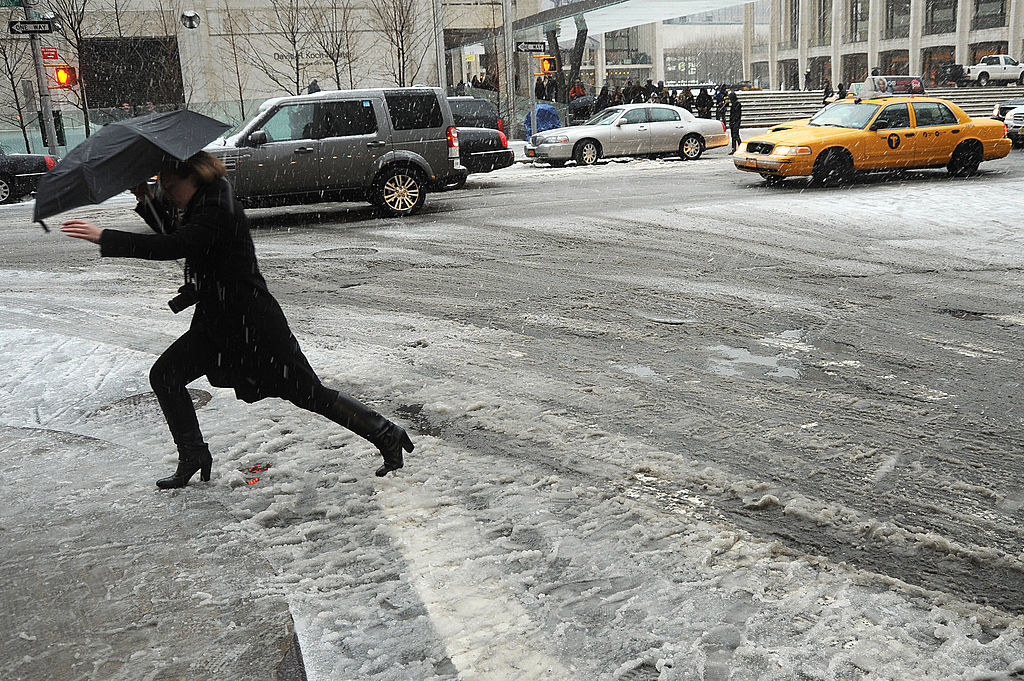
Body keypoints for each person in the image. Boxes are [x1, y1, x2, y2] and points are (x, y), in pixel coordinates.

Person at [59, 152, 414, 488]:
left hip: (253, 325)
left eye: (170, 189)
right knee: (165, 375)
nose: (170, 196)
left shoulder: (218, 207)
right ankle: (193, 454)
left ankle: (385, 432)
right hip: (218, 324)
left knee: (308, 393)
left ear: (192, 177)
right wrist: (145, 197)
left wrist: (104, 236)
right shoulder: (203, 200)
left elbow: (176, 245)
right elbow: (177, 233)